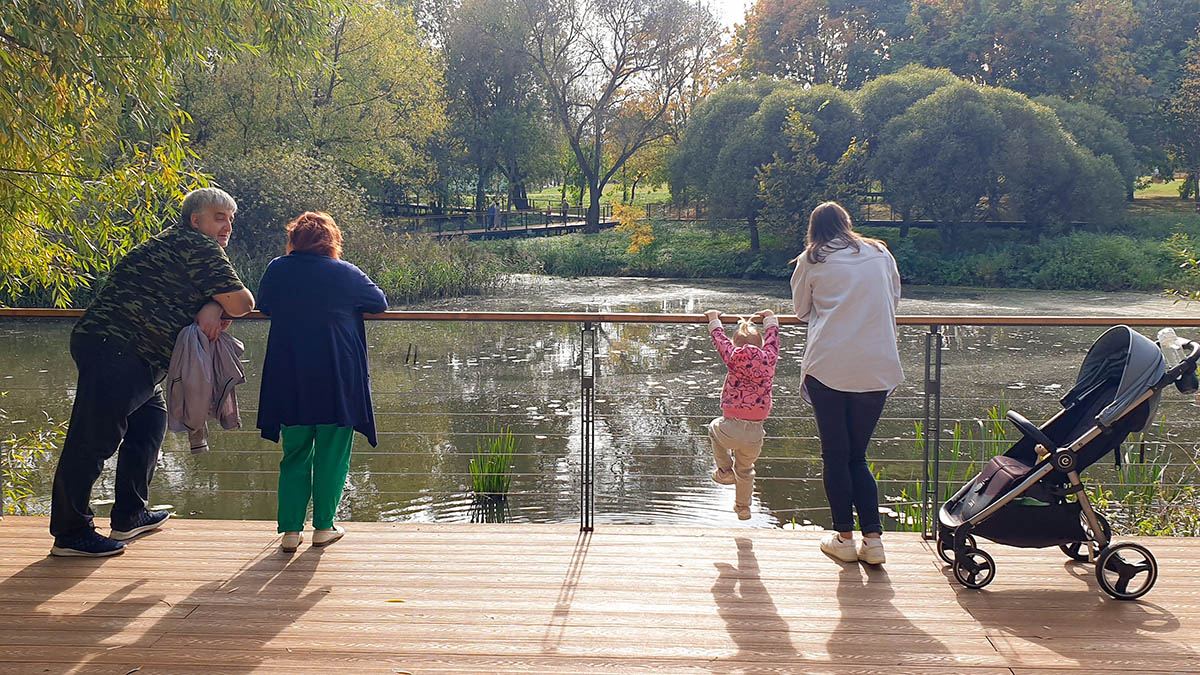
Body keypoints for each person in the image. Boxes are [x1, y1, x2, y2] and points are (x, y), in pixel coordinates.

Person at [49, 187, 254, 557]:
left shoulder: (165, 242)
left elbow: (220, 300)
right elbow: (242, 302)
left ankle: (129, 514)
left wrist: (210, 305)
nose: (227, 226)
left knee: (149, 423)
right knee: (92, 439)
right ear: (196, 220)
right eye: (219, 217)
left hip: (122, 349)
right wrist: (215, 305)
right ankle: (71, 532)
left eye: (231, 220)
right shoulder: (199, 245)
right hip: (121, 349)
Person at [255, 211, 387, 552]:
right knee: (332, 452)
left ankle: (289, 532)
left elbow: (265, 304)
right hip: (336, 377)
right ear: (331, 242)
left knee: (295, 452)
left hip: (290, 376)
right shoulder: (345, 273)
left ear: (293, 241)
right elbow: (379, 302)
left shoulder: (277, 269)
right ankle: (324, 528)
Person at [791, 201, 903, 565]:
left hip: (829, 365)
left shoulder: (812, 258)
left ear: (814, 229)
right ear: (846, 223)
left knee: (835, 455)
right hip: (876, 364)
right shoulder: (881, 252)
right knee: (858, 456)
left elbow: (801, 310)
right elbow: (894, 299)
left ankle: (844, 537)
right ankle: (874, 541)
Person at [704, 308, 780, 520]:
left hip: (732, 424)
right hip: (756, 430)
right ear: (762, 345)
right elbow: (774, 339)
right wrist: (770, 319)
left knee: (712, 428)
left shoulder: (733, 356)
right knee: (746, 470)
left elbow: (720, 341)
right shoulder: (770, 358)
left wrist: (714, 320)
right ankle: (743, 507)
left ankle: (725, 471)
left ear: (735, 344)